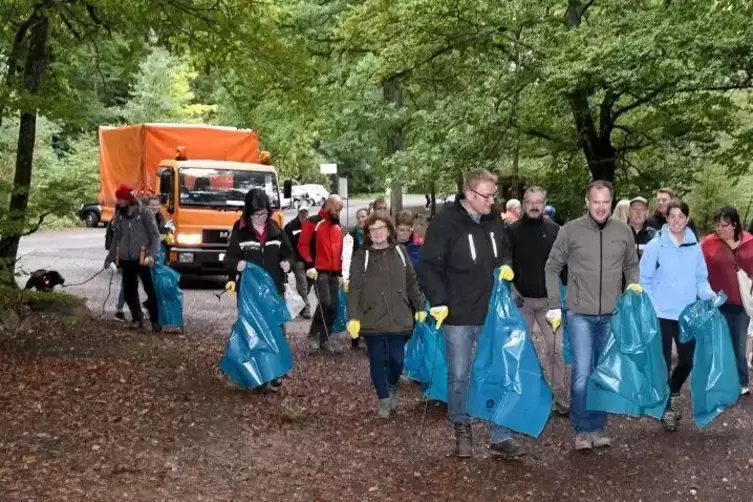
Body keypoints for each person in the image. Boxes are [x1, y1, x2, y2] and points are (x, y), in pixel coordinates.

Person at [420, 168, 523, 459]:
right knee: (460, 375)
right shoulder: (445, 223)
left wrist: (505, 263)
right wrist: (438, 300)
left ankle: (500, 433)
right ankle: (461, 428)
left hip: (491, 312)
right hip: (457, 314)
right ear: (470, 195)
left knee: (497, 370)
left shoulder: (493, 220)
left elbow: (505, 248)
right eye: (487, 196)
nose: (493, 201)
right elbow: (429, 266)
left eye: (494, 195)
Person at [544, 180, 640, 451]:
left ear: (612, 202)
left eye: (605, 202)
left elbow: (631, 266)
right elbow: (552, 267)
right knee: (583, 372)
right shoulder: (570, 230)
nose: (600, 207)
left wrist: (633, 284)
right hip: (579, 314)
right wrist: (554, 303)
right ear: (587, 202)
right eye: (595, 202)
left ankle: (597, 427)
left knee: (603, 373)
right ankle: (582, 429)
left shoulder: (623, 232)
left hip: (612, 315)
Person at [640, 199, 716, 431]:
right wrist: (651, 305)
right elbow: (645, 280)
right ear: (666, 218)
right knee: (662, 363)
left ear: (686, 218)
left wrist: (709, 294)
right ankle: (666, 412)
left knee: (688, 360)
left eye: (680, 216)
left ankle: (673, 390)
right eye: (671, 216)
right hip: (661, 314)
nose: (676, 221)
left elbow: (700, 279)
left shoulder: (695, 247)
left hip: (687, 315)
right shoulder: (656, 245)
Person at [346, 213, 426, 418]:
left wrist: (419, 307)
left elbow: (411, 282)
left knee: (397, 360)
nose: (378, 233)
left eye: (381, 228)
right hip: (371, 316)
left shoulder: (400, 251)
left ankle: (392, 384)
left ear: (389, 230)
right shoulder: (361, 256)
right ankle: (383, 398)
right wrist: (353, 316)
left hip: (399, 316)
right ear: (368, 234)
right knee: (377, 359)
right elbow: (354, 288)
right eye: (373, 230)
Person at [224, 188, 293, 390]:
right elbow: (228, 258)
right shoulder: (240, 234)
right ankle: (258, 374)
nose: (260, 218)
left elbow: (289, 254)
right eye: (256, 214)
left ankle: (276, 372)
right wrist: (236, 266)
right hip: (250, 293)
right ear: (249, 212)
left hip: (274, 289)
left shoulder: (276, 232)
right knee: (253, 332)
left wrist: (287, 264)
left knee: (276, 330)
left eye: (263, 213)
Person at [508, 186, 568, 415]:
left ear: (544, 204)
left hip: (549, 303)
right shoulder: (512, 231)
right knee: (519, 349)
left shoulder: (555, 231)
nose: (534, 205)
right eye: (530, 201)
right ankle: (521, 393)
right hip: (522, 301)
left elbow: (565, 266)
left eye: (538, 202)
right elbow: (505, 263)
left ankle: (559, 394)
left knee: (555, 350)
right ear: (524, 204)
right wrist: (513, 291)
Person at [702, 206, 753, 395]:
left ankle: (742, 382)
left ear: (734, 225)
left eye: (725, 225)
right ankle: (719, 381)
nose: (720, 229)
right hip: (717, 302)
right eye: (718, 225)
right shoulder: (708, 243)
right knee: (718, 343)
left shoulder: (749, 242)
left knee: (738, 344)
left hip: (741, 304)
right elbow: (699, 270)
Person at [104, 185, 160, 331]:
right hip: (126, 260)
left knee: (150, 290)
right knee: (129, 291)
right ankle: (137, 318)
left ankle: (155, 320)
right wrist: (109, 258)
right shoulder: (120, 215)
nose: (118, 201)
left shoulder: (146, 214)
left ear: (128, 200)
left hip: (143, 258)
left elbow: (155, 236)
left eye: (120, 198)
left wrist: (153, 255)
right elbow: (116, 237)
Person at [298, 194, 345, 353]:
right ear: (329, 207)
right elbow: (303, 245)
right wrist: (311, 265)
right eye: (337, 210)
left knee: (334, 306)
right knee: (325, 302)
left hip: (333, 271)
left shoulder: (337, 226)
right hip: (318, 271)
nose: (339, 214)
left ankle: (325, 338)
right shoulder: (312, 222)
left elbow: (338, 251)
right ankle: (313, 334)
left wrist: (340, 273)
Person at [342, 208, 369, 348]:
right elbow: (346, 257)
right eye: (358, 217)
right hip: (355, 273)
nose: (361, 219)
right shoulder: (351, 237)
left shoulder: (372, 234)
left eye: (363, 216)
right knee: (355, 305)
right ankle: (355, 336)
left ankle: (366, 333)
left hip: (369, 274)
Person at [284, 203, 313, 319]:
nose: (304, 214)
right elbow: (287, 246)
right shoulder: (290, 227)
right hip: (297, 259)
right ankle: (306, 308)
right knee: (302, 282)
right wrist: (292, 260)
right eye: (302, 211)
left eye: (306, 212)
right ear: (298, 211)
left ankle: (300, 302)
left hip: (310, 260)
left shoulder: (313, 225)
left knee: (309, 281)